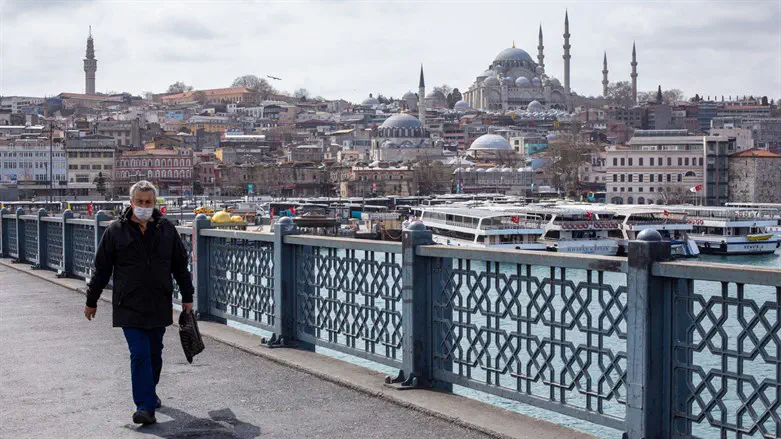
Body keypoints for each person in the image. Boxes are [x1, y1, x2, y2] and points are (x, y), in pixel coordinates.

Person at [84, 180, 194, 425]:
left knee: (155, 354)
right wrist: (91, 300)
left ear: (155, 204)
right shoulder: (115, 231)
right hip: (128, 305)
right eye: (139, 202)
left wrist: (188, 297)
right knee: (140, 354)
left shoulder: (167, 229)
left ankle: (149, 392)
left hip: (158, 302)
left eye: (148, 202)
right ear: (131, 203)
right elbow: (101, 269)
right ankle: (144, 406)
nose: (144, 206)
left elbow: (180, 267)